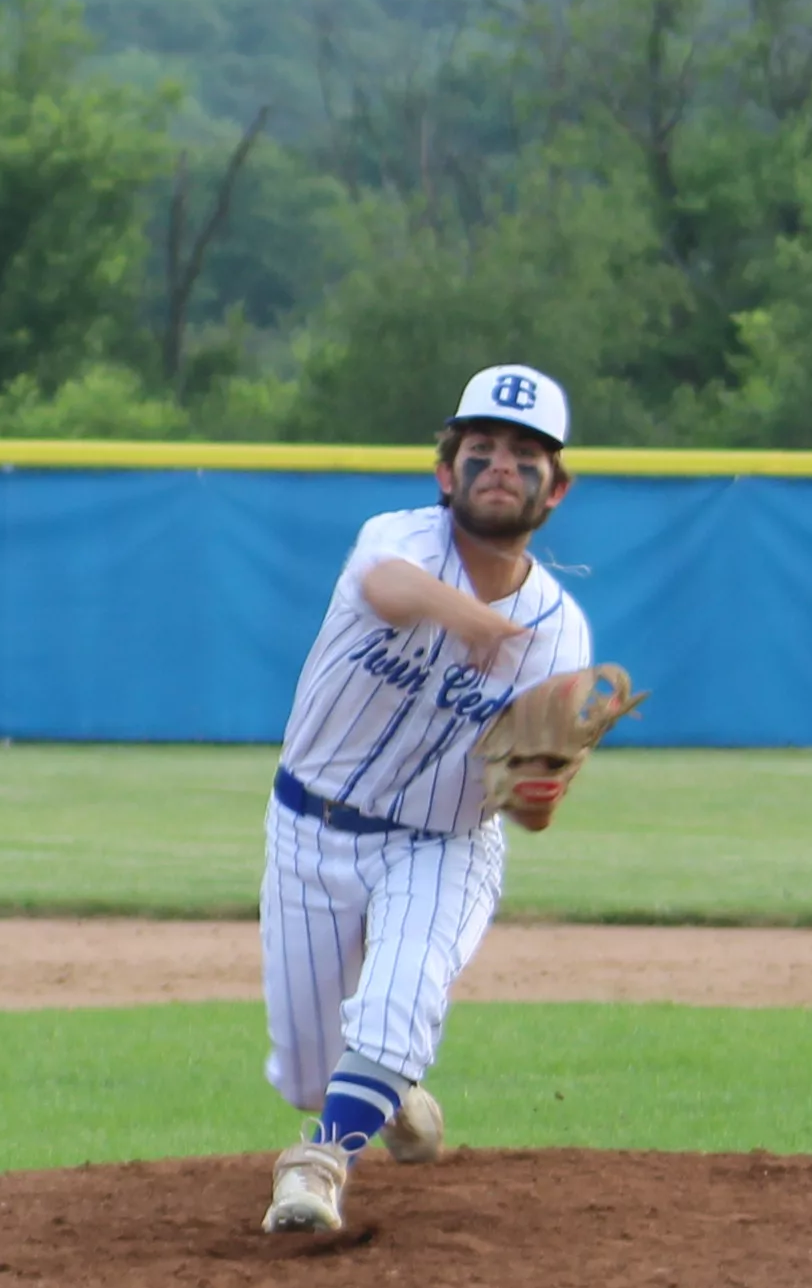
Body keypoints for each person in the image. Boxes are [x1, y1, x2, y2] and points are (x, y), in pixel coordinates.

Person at [254, 363, 601, 1239]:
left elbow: (534, 808)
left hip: (443, 841)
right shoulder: (398, 539)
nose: (501, 464)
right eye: (479, 448)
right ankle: (390, 1087)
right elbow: (390, 591)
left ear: (555, 490)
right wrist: (478, 624)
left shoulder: (561, 633)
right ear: (445, 473)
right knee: (310, 1069)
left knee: (397, 996)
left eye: (527, 455)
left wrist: (541, 789)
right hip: (312, 826)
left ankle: (319, 1163)